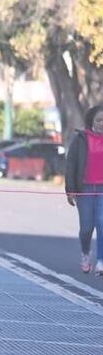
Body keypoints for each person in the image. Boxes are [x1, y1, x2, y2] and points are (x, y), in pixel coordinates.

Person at [66, 104, 103, 275]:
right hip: (85, 189)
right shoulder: (80, 138)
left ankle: (101, 261)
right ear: (92, 121)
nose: (102, 123)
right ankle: (85, 253)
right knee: (87, 227)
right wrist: (71, 189)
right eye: (99, 120)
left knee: (102, 224)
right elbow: (71, 164)